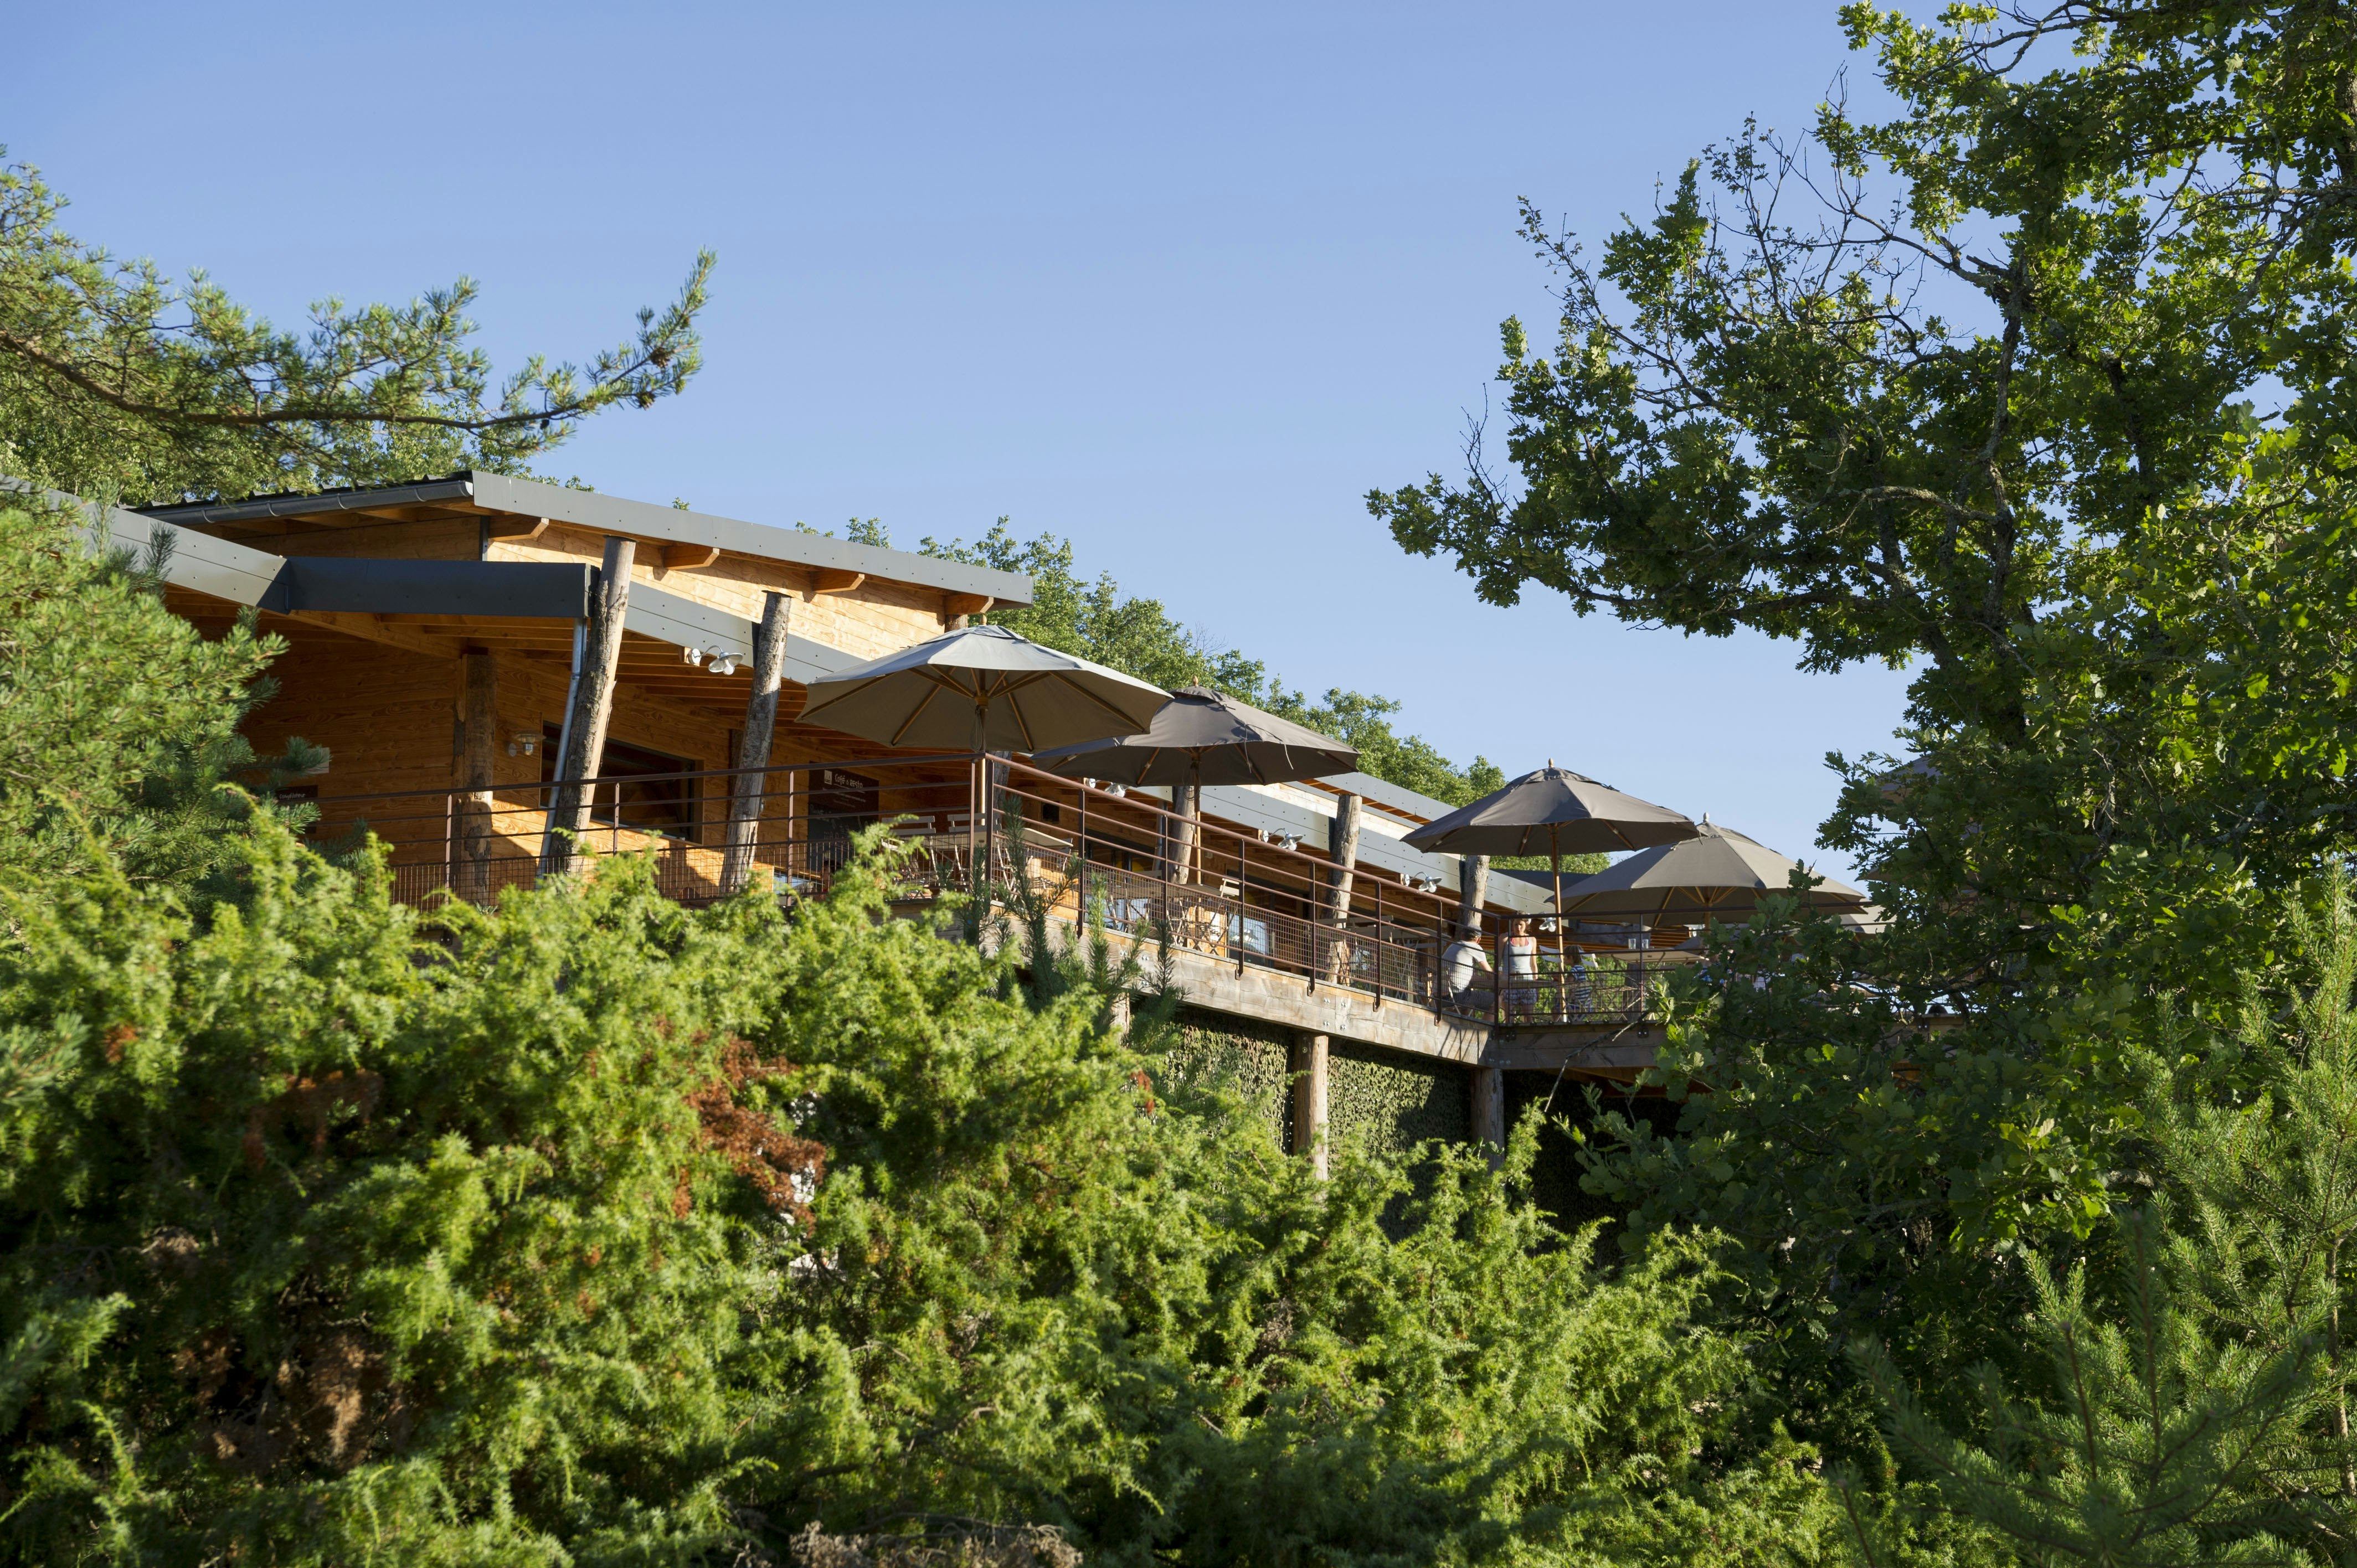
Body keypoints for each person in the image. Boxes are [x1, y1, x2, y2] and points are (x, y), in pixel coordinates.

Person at [1440, 925, 1491, 1013]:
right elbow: (1491, 975)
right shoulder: (1475, 947)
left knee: (1468, 1001)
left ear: (1463, 936)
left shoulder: (1452, 946)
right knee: (1495, 1000)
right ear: (1479, 940)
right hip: (1455, 997)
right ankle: (1486, 1027)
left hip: (1438, 997)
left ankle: (1462, 1024)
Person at [1502, 916, 1540, 1019]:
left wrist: (1537, 987)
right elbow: (1497, 962)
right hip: (1509, 981)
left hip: (1527, 981)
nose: (1518, 927)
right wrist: (1499, 984)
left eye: (1521, 925)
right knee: (1508, 1017)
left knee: (1529, 1016)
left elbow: (1533, 964)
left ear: (1526, 925)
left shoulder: (1532, 940)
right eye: (1516, 924)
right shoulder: (1505, 938)